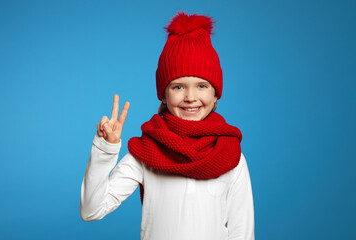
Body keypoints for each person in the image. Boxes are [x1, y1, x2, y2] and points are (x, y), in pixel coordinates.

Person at [80, 11, 255, 240]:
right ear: (163, 95)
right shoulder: (145, 153)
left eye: (202, 86)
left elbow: (242, 233)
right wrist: (105, 149)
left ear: (215, 95)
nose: (191, 97)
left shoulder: (230, 156)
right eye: (178, 87)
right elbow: (92, 210)